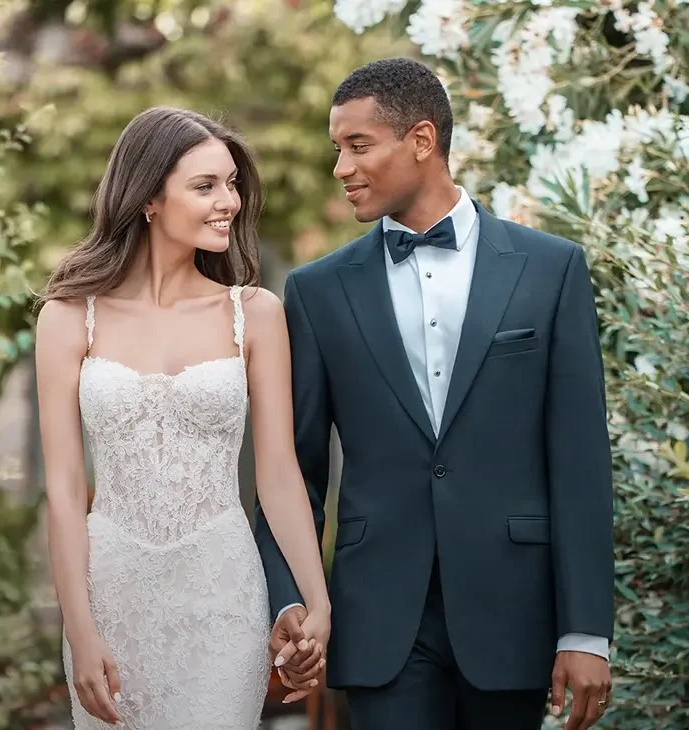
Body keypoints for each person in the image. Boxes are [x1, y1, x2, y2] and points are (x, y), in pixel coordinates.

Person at [255, 58, 615, 730]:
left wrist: (585, 630)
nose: (341, 168)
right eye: (337, 149)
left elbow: (580, 461)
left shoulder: (551, 269)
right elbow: (291, 468)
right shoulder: (316, 291)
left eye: (358, 146)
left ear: (422, 140)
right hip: (382, 618)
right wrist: (289, 600)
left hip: (516, 611)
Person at [35, 106, 330, 729]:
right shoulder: (67, 317)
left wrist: (316, 597)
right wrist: (80, 630)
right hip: (111, 594)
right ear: (147, 199)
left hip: (220, 593)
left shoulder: (256, 313)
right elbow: (63, 492)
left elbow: (277, 474)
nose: (229, 201)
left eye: (231, 184)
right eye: (205, 186)